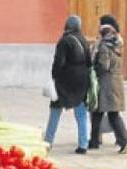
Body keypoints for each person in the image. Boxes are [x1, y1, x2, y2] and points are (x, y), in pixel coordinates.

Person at [44, 15, 92, 154]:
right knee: (81, 113)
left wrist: (54, 75)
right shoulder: (83, 40)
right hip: (82, 79)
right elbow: (89, 62)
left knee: (55, 110)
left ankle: (48, 141)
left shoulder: (64, 41)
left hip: (65, 81)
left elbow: (59, 62)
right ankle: (83, 144)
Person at [88, 14, 127, 154]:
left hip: (106, 83)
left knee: (106, 114)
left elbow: (103, 65)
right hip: (116, 82)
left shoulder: (105, 46)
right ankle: (95, 141)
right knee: (107, 114)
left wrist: (95, 70)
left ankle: (123, 141)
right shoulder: (118, 42)